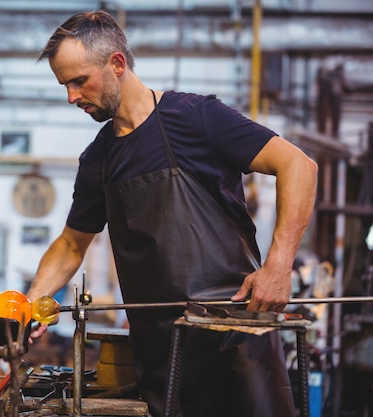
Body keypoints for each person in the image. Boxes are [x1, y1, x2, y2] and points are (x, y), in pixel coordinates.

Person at [26, 10, 318, 417]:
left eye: (79, 81)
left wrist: (278, 264)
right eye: (65, 85)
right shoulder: (99, 159)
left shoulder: (196, 118)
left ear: (117, 64)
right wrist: (31, 299)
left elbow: (298, 166)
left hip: (237, 342)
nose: (72, 96)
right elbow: (72, 244)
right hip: (164, 355)